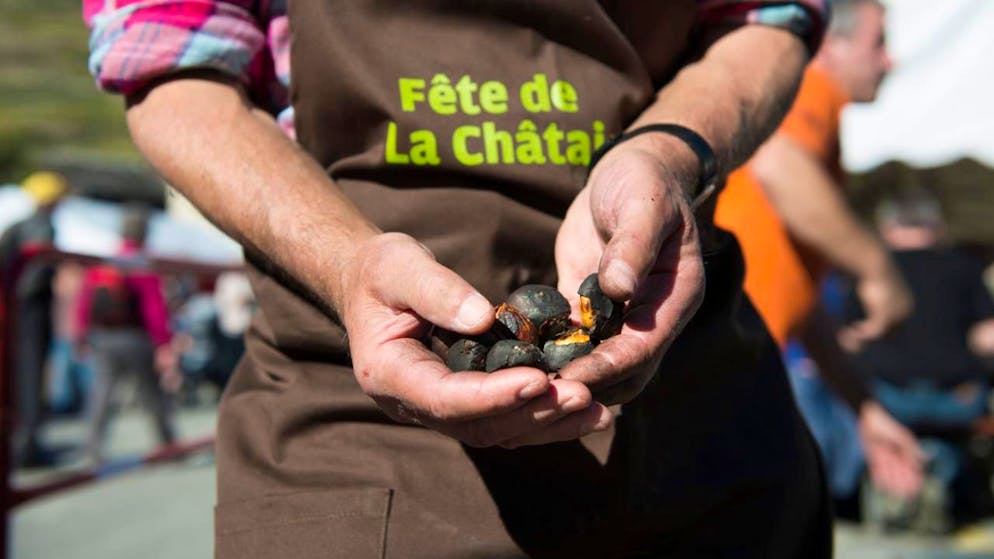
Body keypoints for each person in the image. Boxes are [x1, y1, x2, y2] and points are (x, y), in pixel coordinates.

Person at [87, 2, 833, 556]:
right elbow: (173, 76)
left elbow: (766, 21)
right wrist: (348, 262)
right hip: (359, 437)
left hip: (696, 428)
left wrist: (669, 152)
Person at [714, 0, 925, 502]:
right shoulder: (807, 84)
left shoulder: (822, 124)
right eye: (879, 42)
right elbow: (778, 165)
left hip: (735, 367)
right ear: (828, 43)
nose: (890, 60)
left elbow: (802, 302)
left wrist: (865, 408)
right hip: (721, 376)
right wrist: (878, 268)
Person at [845, 195, 994, 528]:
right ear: (936, 227)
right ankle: (949, 487)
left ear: (887, 228)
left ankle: (894, 494)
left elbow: (850, 338)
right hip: (958, 397)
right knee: (953, 436)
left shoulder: (871, 271)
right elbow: (988, 336)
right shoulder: (965, 265)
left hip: (888, 397)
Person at [74, 206, 178, 465]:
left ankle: (93, 447)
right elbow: (154, 307)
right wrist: (164, 343)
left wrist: (81, 335)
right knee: (152, 394)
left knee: (102, 393)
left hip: (103, 338)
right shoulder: (141, 263)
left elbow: (84, 301)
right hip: (135, 337)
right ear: (145, 233)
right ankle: (168, 445)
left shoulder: (106, 262)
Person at [0, 171, 68, 467]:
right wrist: (25, 299)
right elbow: (36, 270)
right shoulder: (42, 226)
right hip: (30, 313)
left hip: (15, 309)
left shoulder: (15, 225)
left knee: (15, 374)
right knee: (30, 375)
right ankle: (28, 446)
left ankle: (20, 443)